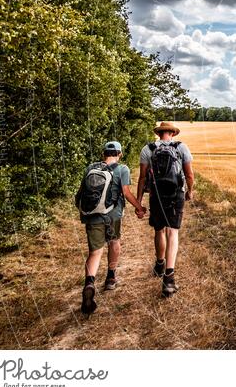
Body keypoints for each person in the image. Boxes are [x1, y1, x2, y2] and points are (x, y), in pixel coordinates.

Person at [76, 141, 146, 315]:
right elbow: (126, 193)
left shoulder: (90, 167)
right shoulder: (122, 169)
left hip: (92, 216)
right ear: (119, 154)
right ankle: (110, 277)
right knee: (114, 243)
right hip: (113, 216)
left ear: (103, 153)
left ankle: (89, 283)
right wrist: (139, 207)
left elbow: (80, 194)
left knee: (94, 252)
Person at [137, 122, 194, 297]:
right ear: (172, 133)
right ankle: (169, 279)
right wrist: (190, 191)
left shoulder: (148, 148)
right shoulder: (181, 147)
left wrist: (139, 203)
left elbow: (142, 177)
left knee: (159, 230)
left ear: (159, 133)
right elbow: (189, 174)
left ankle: (159, 263)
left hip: (156, 195)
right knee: (173, 233)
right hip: (176, 193)